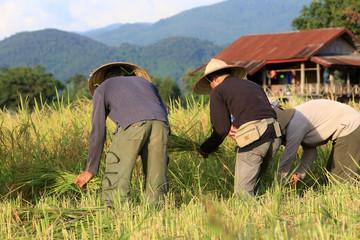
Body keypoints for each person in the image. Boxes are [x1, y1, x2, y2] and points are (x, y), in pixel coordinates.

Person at [74, 62, 170, 205]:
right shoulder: (147, 84)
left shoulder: (103, 88)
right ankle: (157, 211)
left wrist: (90, 170)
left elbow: (98, 132)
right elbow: (163, 114)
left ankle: (116, 211)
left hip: (133, 125)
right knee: (156, 178)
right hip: (161, 125)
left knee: (117, 174)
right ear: (128, 75)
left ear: (106, 79)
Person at [193, 58, 282, 200]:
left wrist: (205, 148)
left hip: (255, 139)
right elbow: (255, 112)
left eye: (210, 84)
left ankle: (249, 221)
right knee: (254, 188)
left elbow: (221, 129)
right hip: (275, 135)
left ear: (213, 79)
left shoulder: (219, 90)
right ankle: (260, 218)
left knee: (243, 193)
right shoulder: (253, 85)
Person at [273, 99, 360, 185]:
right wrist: (299, 173)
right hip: (347, 128)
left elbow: (288, 157)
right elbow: (310, 152)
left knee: (339, 181)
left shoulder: (294, 124)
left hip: (350, 126)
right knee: (329, 176)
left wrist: (277, 186)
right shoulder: (294, 119)